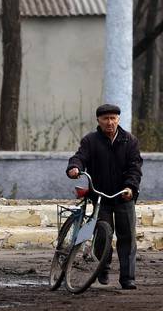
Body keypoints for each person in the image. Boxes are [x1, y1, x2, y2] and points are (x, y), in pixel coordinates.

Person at [66, 103, 143, 290]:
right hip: (101, 197)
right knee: (102, 236)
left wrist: (130, 187)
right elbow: (80, 157)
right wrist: (74, 168)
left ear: (118, 119)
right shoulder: (90, 141)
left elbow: (135, 167)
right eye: (105, 119)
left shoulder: (129, 141)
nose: (110, 122)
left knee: (127, 238)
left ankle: (127, 278)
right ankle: (103, 268)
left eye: (113, 118)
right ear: (98, 121)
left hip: (123, 195)